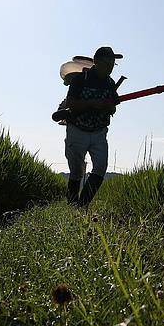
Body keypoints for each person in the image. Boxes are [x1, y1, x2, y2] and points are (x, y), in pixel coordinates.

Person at [63, 46, 122, 206]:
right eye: (106, 63)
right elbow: (71, 103)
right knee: (76, 171)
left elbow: (113, 108)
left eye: (112, 64)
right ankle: (72, 206)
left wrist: (109, 107)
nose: (110, 67)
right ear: (95, 61)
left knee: (100, 168)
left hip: (99, 132)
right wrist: (92, 104)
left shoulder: (110, 84)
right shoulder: (80, 80)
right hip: (77, 130)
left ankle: (82, 206)